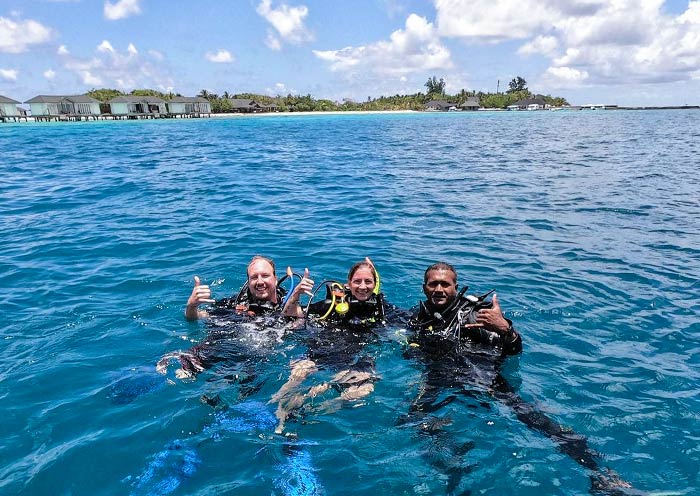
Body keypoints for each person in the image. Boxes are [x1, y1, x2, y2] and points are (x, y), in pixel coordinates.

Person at [406, 262, 633, 494]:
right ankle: (453, 467)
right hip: (441, 377)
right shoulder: (419, 317)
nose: (439, 289)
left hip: (482, 378)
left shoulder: (476, 314)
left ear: (455, 287)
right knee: (413, 419)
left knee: (538, 422)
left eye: (445, 284)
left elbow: (513, 350)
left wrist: (506, 330)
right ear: (424, 287)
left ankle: (601, 476)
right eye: (433, 284)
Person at [270, 258, 397, 434]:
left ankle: (308, 414)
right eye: (357, 281)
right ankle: (277, 415)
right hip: (319, 353)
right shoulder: (331, 306)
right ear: (348, 284)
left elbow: (406, 324)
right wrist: (297, 293)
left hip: (355, 361)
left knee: (361, 392)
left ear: (375, 285)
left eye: (368, 281)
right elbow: (292, 315)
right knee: (297, 375)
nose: (362, 286)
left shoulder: (383, 310)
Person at [158, 255, 295, 381]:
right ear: (248, 282)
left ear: (275, 279)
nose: (259, 281)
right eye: (254, 277)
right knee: (171, 370)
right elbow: (197, 318)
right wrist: (192, 306)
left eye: (265, 275)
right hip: (222, 347)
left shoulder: (291, 307)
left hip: (257, 359)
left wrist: (295, 302)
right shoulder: (233, 303)